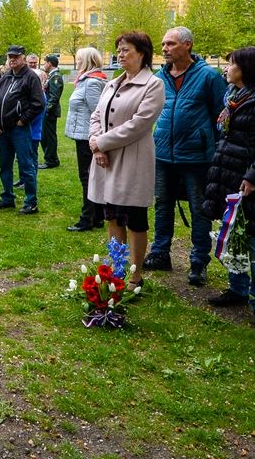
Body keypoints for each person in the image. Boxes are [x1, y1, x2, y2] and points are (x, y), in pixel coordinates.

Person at [201, 47, 255, 333]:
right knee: (232, 231)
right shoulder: (233, 96)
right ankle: (237, 288)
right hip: (228, 171)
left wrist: (254, 175)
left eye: (232, 63)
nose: (227, 67)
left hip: (249, 178)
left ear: (246, 68)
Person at [143, 26, 227, 287]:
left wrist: (214, 148)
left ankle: (199, 261)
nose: (165, 49)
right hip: (164, 154)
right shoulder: (160, 76)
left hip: (197, 156)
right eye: (164, 44)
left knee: (199, 208)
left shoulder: (209, 77)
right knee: (162, 204)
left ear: (187, 45)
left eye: (170, 44)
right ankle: (160, 252)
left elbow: (220, 116)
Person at [88, 32, 165, 289]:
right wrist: (96, 145)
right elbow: (96, 116)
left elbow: (139, 125)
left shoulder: (153, 85)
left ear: (142, 53)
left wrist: (102, 142)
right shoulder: (113, 82)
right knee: (112, 215)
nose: (119, 54)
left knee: (134, 218)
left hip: (132, 161)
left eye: (125, 50)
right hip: (106, 160)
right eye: (118, 50)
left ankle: (135, 274)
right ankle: (117, 268)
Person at [0, 45, 45, 215]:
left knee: (26, 165)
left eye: (16, 56)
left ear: (23, 57)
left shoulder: (30, 77)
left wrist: (23, 120)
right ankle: (7, 197)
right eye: (10, 56)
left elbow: (39, 104)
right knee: (4, 165)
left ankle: (31, 201)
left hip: (19, 129)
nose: (12, 59)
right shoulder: (6, 76)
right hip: (4, 129)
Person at [64, 47, 108, 231]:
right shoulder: (85, 80)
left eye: (80, 59)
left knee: (87, 177)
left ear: (88, 61)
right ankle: (97, 216)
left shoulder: (91, 82)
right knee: (90, 176)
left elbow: (97, 112)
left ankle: (87, 218)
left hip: (87, 136)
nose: (77, 62)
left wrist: (95, 138)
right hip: (82, 134)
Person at [39, 54, 64, 169]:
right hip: (48, 111)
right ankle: (51, 158)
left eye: (45, 62)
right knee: (46, 136)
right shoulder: (52, 76)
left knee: (48, 137)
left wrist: (46, 110)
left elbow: (54, 97)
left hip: (50, 112)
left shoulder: (55, 77)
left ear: (49, 63)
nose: (44, 65)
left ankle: (51, 160)